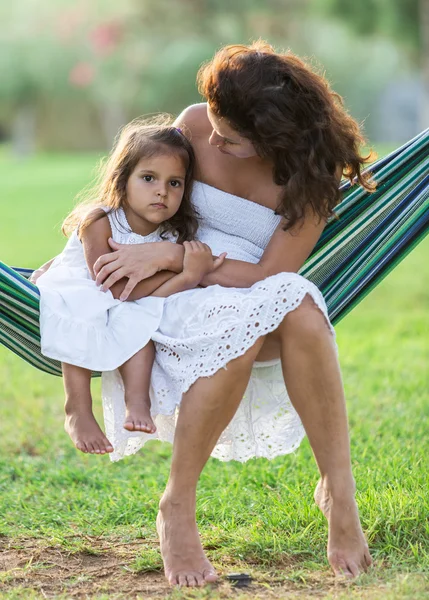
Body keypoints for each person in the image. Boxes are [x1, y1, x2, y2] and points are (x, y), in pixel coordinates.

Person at [33, 42, 374, 585]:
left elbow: (269, 277)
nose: (210, 140)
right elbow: (140, 191)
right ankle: (177, 507)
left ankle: (339, 490)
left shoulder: (310, 173)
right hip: (168, 293)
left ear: (274, 138)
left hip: (236, 282)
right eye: (213, 125)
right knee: (259, 321)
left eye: (230, 140)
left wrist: (176, 256)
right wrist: (104, 248)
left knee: (302, 305)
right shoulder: (195, 124)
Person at [36, 118, 226, 456]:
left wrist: (187, 272)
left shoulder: (169, 236)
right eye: (149, 178)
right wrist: (185, 276)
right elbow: (117, 287)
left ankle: (137, 404)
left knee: (141, 329)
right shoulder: (99, 221)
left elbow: (149, 301)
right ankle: (77, 409)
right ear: (123, 180)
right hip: (85, 290)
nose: (162, 192)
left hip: (123, 301)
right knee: (86, 315)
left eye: (175, 183)